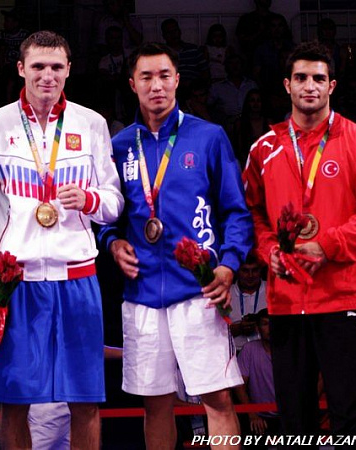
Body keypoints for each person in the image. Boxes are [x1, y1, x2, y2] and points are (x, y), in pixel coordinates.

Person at [98, 42, 253, 449]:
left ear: (178, 80)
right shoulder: (119, 146)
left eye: (164, 76)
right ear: (132, 84)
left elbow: (236, 212)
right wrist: (112, 243)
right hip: (142, 294)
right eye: (146, 77)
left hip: (199, 289)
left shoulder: (209, 137)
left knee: (217, 399)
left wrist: (228, 266)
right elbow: (107, 215)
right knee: (155, 405)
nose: (157, 85)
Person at [0, 30, 123, 449]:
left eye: (56, 67)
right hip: (15, 281)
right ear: (21, 68)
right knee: (13, 402)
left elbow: (114, 202)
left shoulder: (91, 123)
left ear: (69, 70)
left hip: (77, 278)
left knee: (85, 400)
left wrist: (90, 199)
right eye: (38, 66)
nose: (47, 75)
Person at [243, 41, 356, 438]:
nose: (309, 86)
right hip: (286, 300)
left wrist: (327, 247)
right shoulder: (264, 148)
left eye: (318, 78)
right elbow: (251, 213)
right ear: (287, 85)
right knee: (295, 420)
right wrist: (268, 251)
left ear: (332, 86)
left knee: (351, 416)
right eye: (301, 78)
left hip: (343, 297)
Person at [234, 309, 280, 445]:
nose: (270, 328)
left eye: (273, 323)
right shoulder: (249, 349)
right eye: (265, 324)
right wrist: (252, 414)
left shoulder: (289, 350)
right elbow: (240, 386)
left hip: (288, 414)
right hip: (259, 415)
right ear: (257, 328)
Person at [229, 254, 267, 351]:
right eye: (245, 270)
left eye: (255, 270)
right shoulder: (226, 293)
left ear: (261, 270)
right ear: (237, 271)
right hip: (235, 352)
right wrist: (239, 328)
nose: (250, 275)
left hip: (268, 352)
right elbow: (216, 333)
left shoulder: (272, 290)